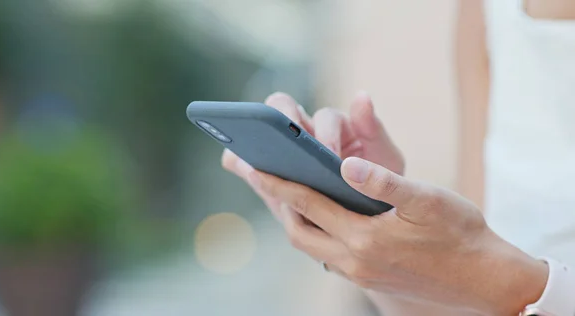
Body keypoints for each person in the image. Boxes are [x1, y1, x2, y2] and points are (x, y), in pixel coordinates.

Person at [222, 0, 575, 314]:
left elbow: (492, 282)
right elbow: (475, 304)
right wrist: (376, 246)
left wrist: (498, 277)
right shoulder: (483, 11)